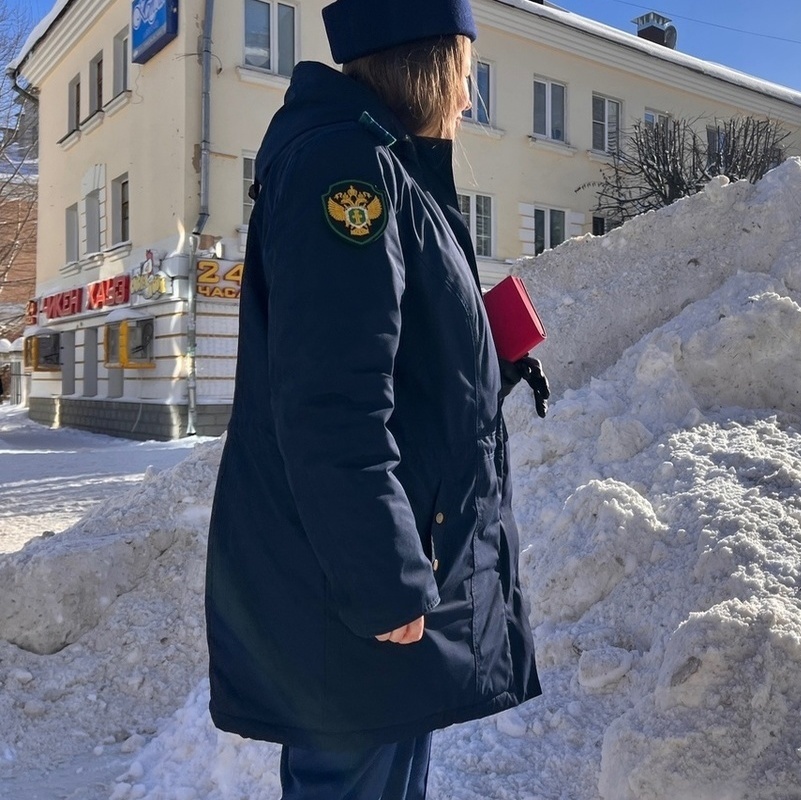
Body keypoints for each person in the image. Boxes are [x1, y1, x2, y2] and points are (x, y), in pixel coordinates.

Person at [205, 0, 546, 797]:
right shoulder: (347, 174)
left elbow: (383, 361)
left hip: (371, 587)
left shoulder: (385, 167)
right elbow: (331, 401)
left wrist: (481, 360)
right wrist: (384, 578)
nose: (468, 99)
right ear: (427, 65)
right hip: (357, 598)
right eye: (466, 74)